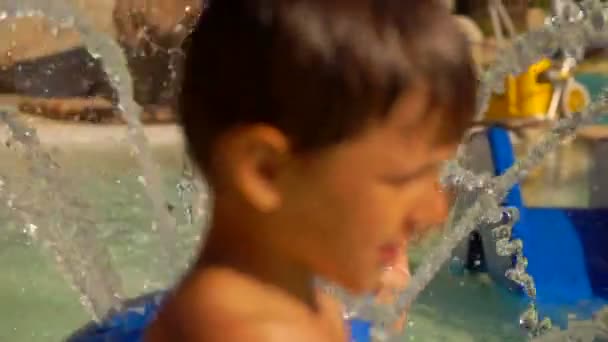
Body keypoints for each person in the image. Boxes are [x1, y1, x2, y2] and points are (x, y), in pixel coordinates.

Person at [145, 0, 476, 341]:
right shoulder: (244, 332)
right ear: (266, 171)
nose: (436, 212)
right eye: (403, 179)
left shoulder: (307, 308)